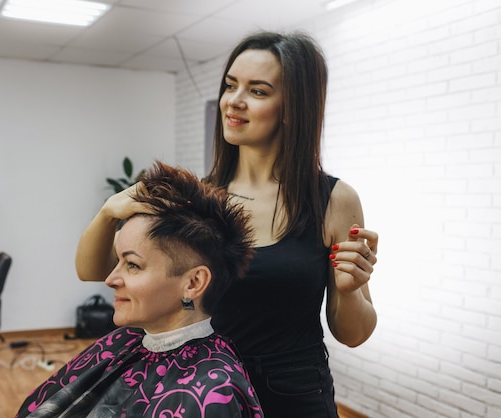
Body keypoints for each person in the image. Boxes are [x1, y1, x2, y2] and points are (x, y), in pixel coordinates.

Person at [75, 30, 379, 418]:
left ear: (293, 106)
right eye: (231, 86)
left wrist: (350, 289)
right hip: (205, 389)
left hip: (294, 395)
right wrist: (108, 212)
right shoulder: (198, 199)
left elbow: (353, 333)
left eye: (258, 91)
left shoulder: (335, 201)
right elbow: (91, 271)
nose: (233, 101)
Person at [17, 162, 263, 418]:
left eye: (133, 265)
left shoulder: (212, 391)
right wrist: (107, 212)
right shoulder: (127, 343)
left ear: (193, 283)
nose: (110, 279)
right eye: (119, 260)